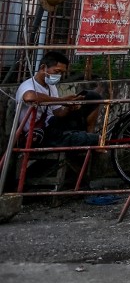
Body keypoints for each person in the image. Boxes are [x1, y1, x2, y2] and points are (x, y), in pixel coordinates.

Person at [14, 52, 101, 184]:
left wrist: (69, 107)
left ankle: (88, 137)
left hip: (53, 126)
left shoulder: (51, 86)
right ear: (43, 68)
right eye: (57, 71)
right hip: (39, 135)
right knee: (92, 139)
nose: (58, 75)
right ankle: (90, 140)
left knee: (92, 97)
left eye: (61, 73)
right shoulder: (28, 85)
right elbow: (29, 97)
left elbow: (58, 113)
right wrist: (61, 100)